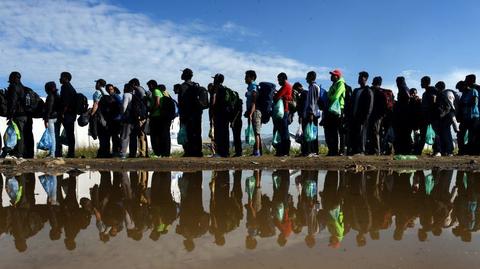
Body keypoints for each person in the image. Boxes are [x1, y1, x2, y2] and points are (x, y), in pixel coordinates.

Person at [177, 68, 204, 157]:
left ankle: (189, 152)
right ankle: (198, 152)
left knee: (188, 132)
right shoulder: (196, 85)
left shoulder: (182, 86)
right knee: (197, 132)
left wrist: (181, 115)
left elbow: (181, 102)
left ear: (185, 75)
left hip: (187, 114)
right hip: (197, 114)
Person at [349, 71, 373, 155]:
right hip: (354, 116)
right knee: (355, 133)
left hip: (363, 117)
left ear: (365, 79)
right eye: (358, 77)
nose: (359, 79)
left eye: (361, 77)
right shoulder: (356, 90)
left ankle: (361, 150)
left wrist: (366, 117)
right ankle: (355, 150)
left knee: (362, 134)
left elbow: (369, 106)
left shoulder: (368, 91)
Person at [4, 72, 27, 158]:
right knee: (20, 134)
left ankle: (18, 153)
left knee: (17, 134)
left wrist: (10, 114)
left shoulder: (14, 87)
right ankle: (18, 152)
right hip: (24, 115)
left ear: (12, 78)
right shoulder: (23, 87)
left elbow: (13, 102)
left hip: (17, 114)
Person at [324, 69, 346, 156]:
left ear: (337, 76)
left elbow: (335, 96)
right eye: (331, 75)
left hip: (339, 109)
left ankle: (342, 150)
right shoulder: (333, 85)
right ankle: (334, 150)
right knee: (332, 131)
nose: (331, 76)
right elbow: (329, 95)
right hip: (332, 110)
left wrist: (330, 96)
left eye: (333, 75)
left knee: (340, 130)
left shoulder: (341, 84)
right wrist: (330, 96)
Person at [148, 81, 171, 157]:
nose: (148, 88)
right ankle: (164, 153)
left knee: (155, 136)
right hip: (161, 116)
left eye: (149, 86)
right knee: (163, 135)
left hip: (156, 116)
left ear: (152, 85)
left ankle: (158, 153)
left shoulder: (156, 91)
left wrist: (151, 111)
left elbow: (157, 103)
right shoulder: (164, 92)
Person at [456, 79, 479, 155]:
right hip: (465, 117)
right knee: (460, 134)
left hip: (473, 116)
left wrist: (464, 104)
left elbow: (474, 102)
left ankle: (471, 151)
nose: (460, 90)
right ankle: (461, 151)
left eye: (460, 88)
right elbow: (461, 104)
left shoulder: (473, 91)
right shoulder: (464, 94)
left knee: (471, 135)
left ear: (464, 86)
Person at [91, 79, 111, 158]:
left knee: (101, 135)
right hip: (107, 117)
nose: (95, 85)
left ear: (99, 84)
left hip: (99, 116)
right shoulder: (106, 93)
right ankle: (107, 152)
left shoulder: (97, 93)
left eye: (96, 83)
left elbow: (96, 104)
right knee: (106, 135)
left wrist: (92, 114)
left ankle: (102, 153)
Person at [420, 76, 440, 156]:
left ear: (425, 82)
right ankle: (419, 150)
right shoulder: (425, 93)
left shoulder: (432, 90)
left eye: (422, 82)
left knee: (435, 133)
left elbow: (434, 101)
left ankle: (437, 150)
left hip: (432, 115)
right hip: (426, 116)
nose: (420, 84)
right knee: (424, 133)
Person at [128, 78, 149, 158]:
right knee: (142, 134)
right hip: (143, 115)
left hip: (141, 116)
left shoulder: (138, 90)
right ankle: (143, 152)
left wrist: (139, 115)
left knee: (141, 134)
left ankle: (142, 153)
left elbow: (140, 104)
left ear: (134, 84)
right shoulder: (142, 90)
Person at [273, 73, 292, 156]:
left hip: (284, 111)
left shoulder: (286, 86)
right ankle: (282, 151)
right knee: (282, 131)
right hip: (282, 111)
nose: (278, 81)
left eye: (279, 79)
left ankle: (285, 151)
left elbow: (277, 97)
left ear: (283, 79)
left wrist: (275, 95)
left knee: (284, 131)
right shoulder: (284, 87)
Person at [211, 74, 230, 157]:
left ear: (217, 80)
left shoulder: (217, 89)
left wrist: (212, 111)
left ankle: (219, 153)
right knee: (225, 133)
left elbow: (213, 102)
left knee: (218, 133)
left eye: (214, 79)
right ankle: (225, 152)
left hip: (219, 115)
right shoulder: (225, 89)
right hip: (226, 115)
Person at [59, 72, 77, 158]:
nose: (60, 79)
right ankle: (71, 152)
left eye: (61, 77)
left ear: (66, 78)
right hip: (72, 114)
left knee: (69, 134)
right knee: (70, 134)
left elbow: (65, 102)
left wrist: (62, 113)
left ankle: (71, 153)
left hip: (68, 114)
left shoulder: (65, 87)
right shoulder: (71, 87)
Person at [302, 71, 321, 156]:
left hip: (312, 114)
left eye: (307, 77)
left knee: (311, 133)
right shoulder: (312, 87)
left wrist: (310, 113)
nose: (306, 78)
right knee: (311, 132)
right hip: (313, 113)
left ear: (311, 77)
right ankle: (311, 150)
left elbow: (312, 102)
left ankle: (312, 151)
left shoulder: (313, 87)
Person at [393, 76, 413, 154]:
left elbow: (407, 99)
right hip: (404, 115)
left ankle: (404, 150)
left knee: (403, 134)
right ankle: (405, 150)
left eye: (397, 82)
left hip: (403, 115)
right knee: (404, 134)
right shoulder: (405, 88)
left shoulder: (403, 88)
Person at [245, 70, 262, 157]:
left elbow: (254, 101)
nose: (245, 78)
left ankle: (257, 152)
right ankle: (255, 150)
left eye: (246, 76)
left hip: (255, 111)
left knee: (256, 132)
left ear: (252, 77)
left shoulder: (254, 86)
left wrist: (251, 113)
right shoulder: (250, 87)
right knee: (254, 131)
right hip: (252, 111)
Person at [368, 76, 387, 155]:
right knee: (376, 133)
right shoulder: (381, 92)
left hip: (374, 115)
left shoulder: (374, 91)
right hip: (379, 116)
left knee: (374, 133)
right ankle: (375, 150)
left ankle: (376, 151)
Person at [43, 81, 61, 158]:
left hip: (51, 118)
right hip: (57, 118)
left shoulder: (50, 96)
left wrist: (46, 119)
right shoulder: (57, 95)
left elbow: (49, 108)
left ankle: (52, 153)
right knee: (56, 136)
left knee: (52, 136)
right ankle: (56, 152)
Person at [119, 83, 134, 158]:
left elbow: (124, 106)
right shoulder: (134, 95)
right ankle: (132, 153)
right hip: (133, 118)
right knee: (132, 136)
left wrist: (121, 116)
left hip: (127, 118)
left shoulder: (126, 95)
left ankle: (123, 153)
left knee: (124, 136)